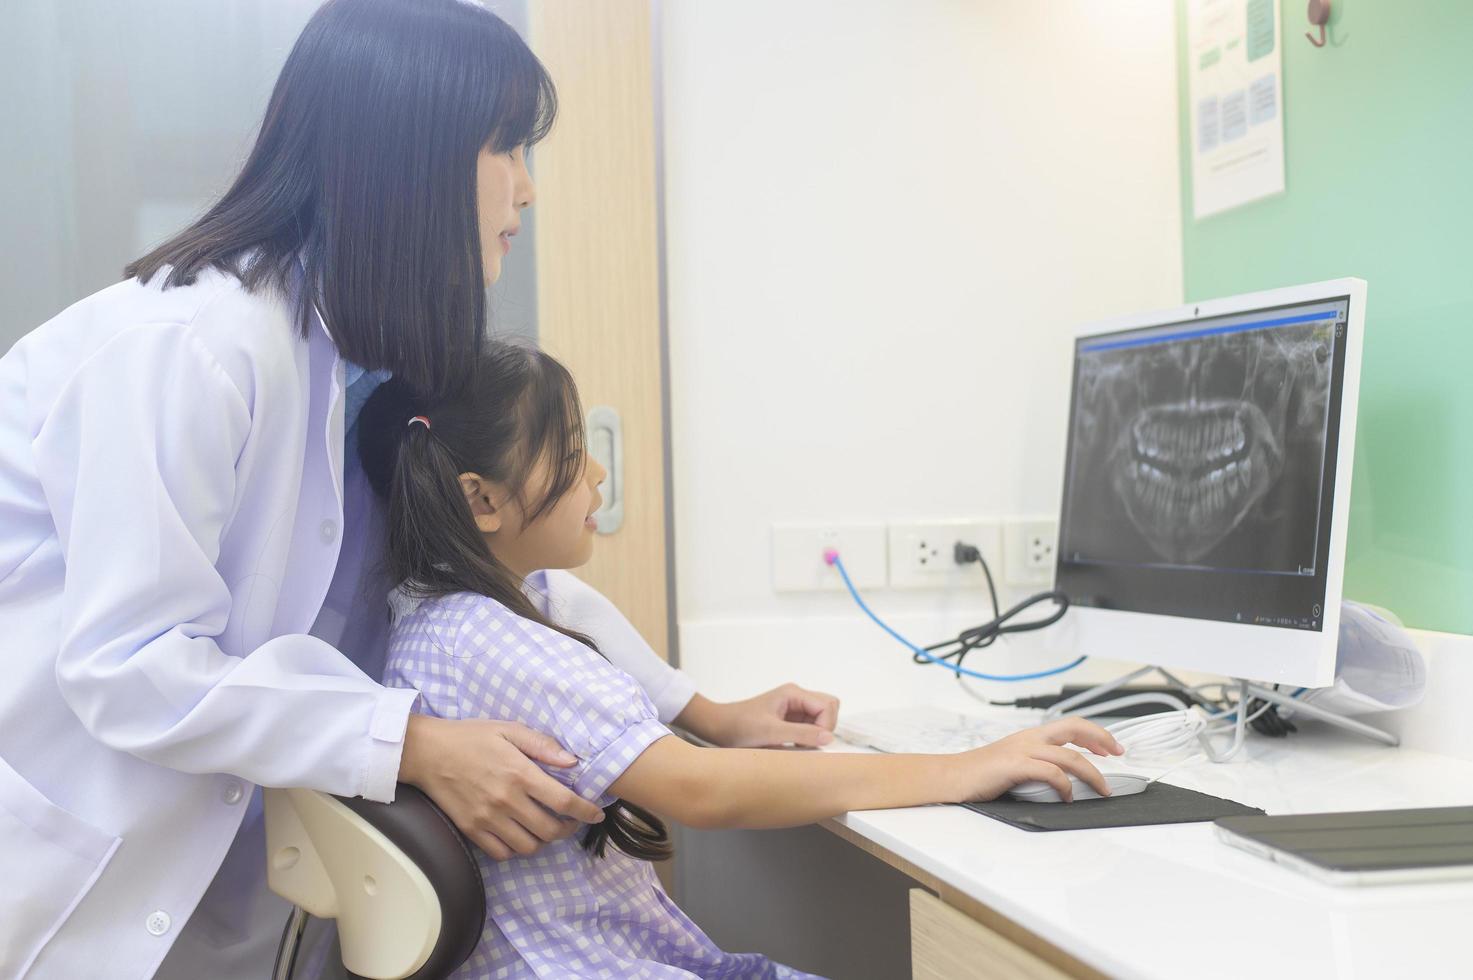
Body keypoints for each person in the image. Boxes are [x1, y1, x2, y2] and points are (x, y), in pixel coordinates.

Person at [0, 2, 834, 976]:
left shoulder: (362, 368)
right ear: (415, 157)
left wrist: (707, 707)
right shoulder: (194, 349)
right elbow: (129, 663)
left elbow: (514, 592)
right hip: (65, 866)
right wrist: (415, 742)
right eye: (508, 149)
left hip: (225, 884)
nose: (526, 190)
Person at [359, 343, 1125, 978]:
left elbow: (591, 624)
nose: (595, 476)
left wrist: (715, 717)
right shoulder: (493, 641)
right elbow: (700, 790)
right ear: (482, 502)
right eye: (568, 454)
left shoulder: (455, 616)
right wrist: (966, 768)